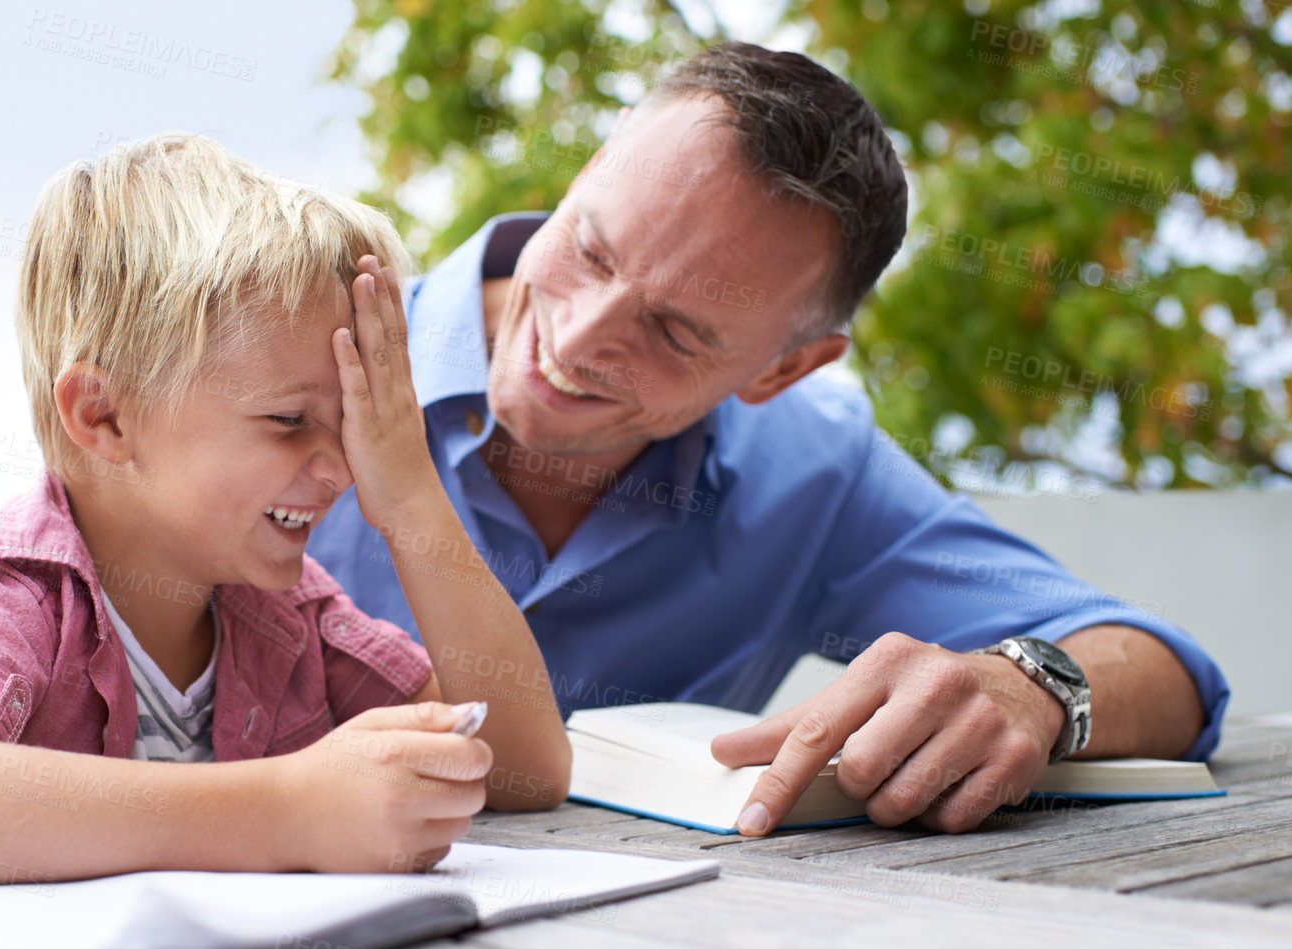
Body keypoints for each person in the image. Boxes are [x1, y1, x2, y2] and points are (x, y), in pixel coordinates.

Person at [307, 41, 1228, 837]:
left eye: (675, 332)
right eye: (590, 250)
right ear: (585, 174)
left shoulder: (818, 472)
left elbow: (1164, 671)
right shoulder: (292, 366)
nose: (578, 338)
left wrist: (1029, 686)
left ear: (781, 370)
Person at [0, 133, 569, 889]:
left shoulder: (292, 618)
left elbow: (525, 769)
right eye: (288, 421)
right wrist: (287, 809)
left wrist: (413, 497)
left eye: (355, 429)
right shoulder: (16, 597)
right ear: (105, 417)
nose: (340, 470)